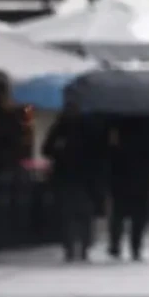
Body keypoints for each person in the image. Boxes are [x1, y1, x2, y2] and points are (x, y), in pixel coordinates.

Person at [43, 106, 99, 262]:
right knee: (82, 212)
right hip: (81, 177)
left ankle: (71, 246)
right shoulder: (88, 128)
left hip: (67, 176)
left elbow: (47, 149)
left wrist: (59, 152)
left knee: (69, 212)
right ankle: (82, 245)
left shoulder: (61, 128)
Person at [106, 116, 149, 261]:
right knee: (137, 215)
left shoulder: (115, 124)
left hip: (122, 176)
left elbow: (109, 151)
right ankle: (134, 246)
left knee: (120, 213)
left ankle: (117, 244)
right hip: (138, 177)